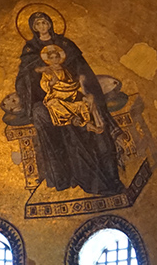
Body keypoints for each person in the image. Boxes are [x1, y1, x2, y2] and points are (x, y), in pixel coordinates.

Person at [14, 12, 125, 196]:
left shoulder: (67, 45)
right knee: (46, 115)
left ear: (50, 24)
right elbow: (24, 80)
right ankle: (64, 175)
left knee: (96, 124)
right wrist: (39, 71)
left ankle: (110, 178)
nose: (42, 27)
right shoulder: (30, 50)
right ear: (34, 28)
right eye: (38, 24)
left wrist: (86, 90)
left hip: (75, 94)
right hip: (50, 100)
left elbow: (83, 71)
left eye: (45, 22)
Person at [36, 45, 105, 133]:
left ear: (60, 58)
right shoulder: (47, 71)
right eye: (52, 58)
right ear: (49, 60)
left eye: (56, 57)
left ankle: (88, 123)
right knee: (53, 104)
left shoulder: (65, 69)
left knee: (82, 104)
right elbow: (44, 84)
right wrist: (52, 82)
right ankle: (72, 119)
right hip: (56, 95)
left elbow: (71, 81)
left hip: (70, 92)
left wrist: (78, 82)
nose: (55, 60)